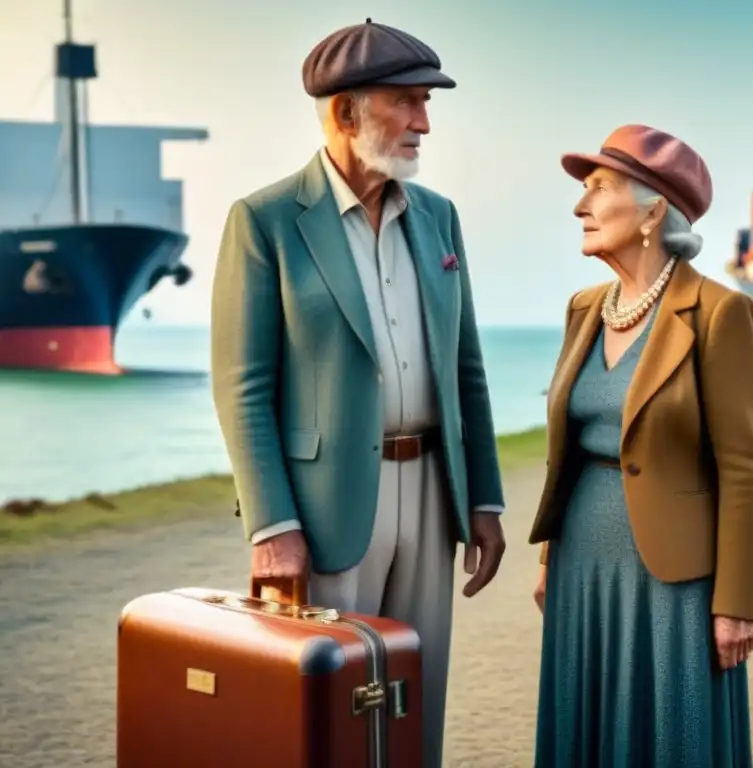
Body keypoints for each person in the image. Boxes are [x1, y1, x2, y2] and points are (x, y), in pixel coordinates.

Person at [210, 19, 506, 768]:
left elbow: (464, 365)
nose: (424, 122)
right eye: (406, 102)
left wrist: (485, 498)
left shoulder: (440, 217)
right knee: (332, 712)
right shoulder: (264, 221)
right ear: (345, 113)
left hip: (434, 497)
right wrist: (271, 525)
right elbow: (242, 388)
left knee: (419, 696)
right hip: (325, 509)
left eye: (426, 102)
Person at [528, 124, 753, 767]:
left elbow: (745, 469)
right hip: (582, 559)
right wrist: (552, 557)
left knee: (673, 735)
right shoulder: (584, 308)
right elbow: (571, 450)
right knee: (584, 723)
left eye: (597, 188)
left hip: (673, 575)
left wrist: (738, 604)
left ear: (653, 209)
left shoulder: (722, 313)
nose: (580, 206)